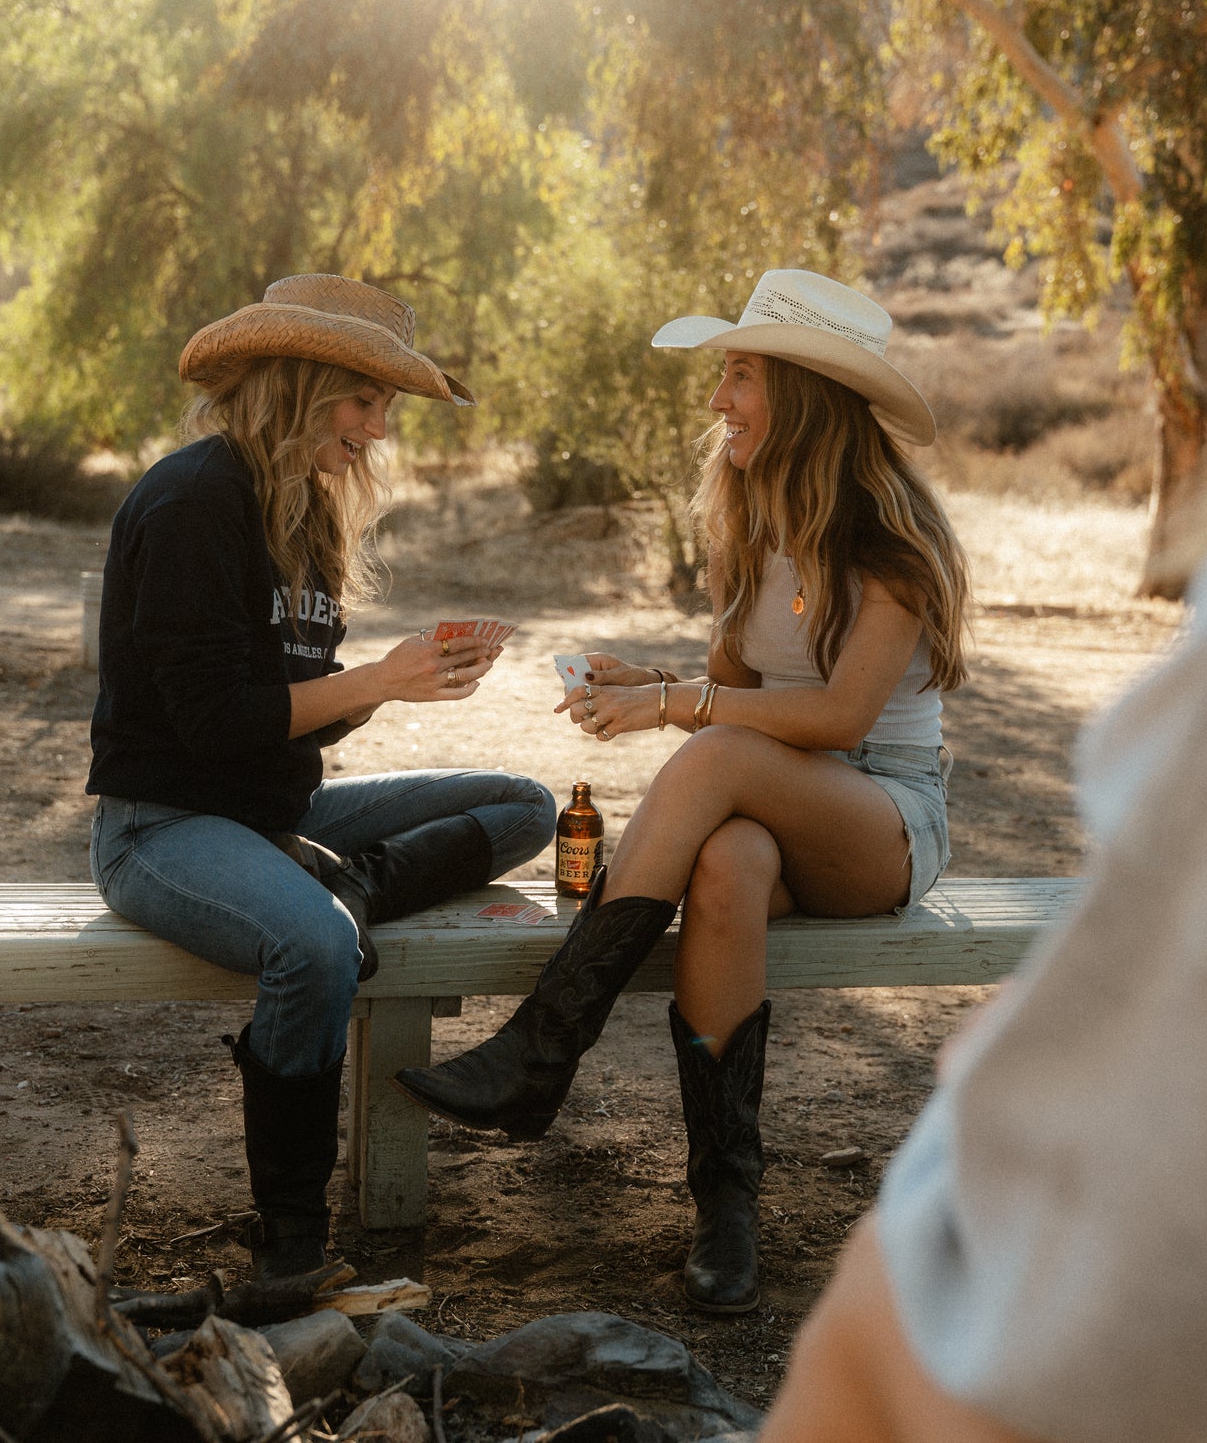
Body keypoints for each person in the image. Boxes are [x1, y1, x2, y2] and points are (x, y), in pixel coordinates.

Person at [759, 0, 1207, 1443]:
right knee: (713, 836)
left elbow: (1077, 1305)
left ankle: (587, 1069)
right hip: (794, 823)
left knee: (892, 1304)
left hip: (890, 824)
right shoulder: (765, 541)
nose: (724, 401)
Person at [396, 269, 970, 1314]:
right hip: (770, 814)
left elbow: (835, 720)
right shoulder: (744, 524)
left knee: (709, 760)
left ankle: (544, 1043)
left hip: (881, 819)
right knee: (726, 860)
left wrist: (674, 703)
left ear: (800, 393)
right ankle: (725, 1204)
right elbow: (739, 697)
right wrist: (653, 683)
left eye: (740, 376)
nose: (716, 402)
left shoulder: (891, 546)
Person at [87, 274, 556, 1280]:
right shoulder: (190, 501)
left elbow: (283, 711)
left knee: (523, 805)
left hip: (270, 813)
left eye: (385, 408)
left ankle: (352, 879)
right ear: (296, 385)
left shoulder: (302, 515)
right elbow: (214, 730)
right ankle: (291, 1239)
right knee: (314, 947)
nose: (378, 430)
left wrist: (398, 683)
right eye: (363, 403)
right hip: (162, 828)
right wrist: (372, 679)